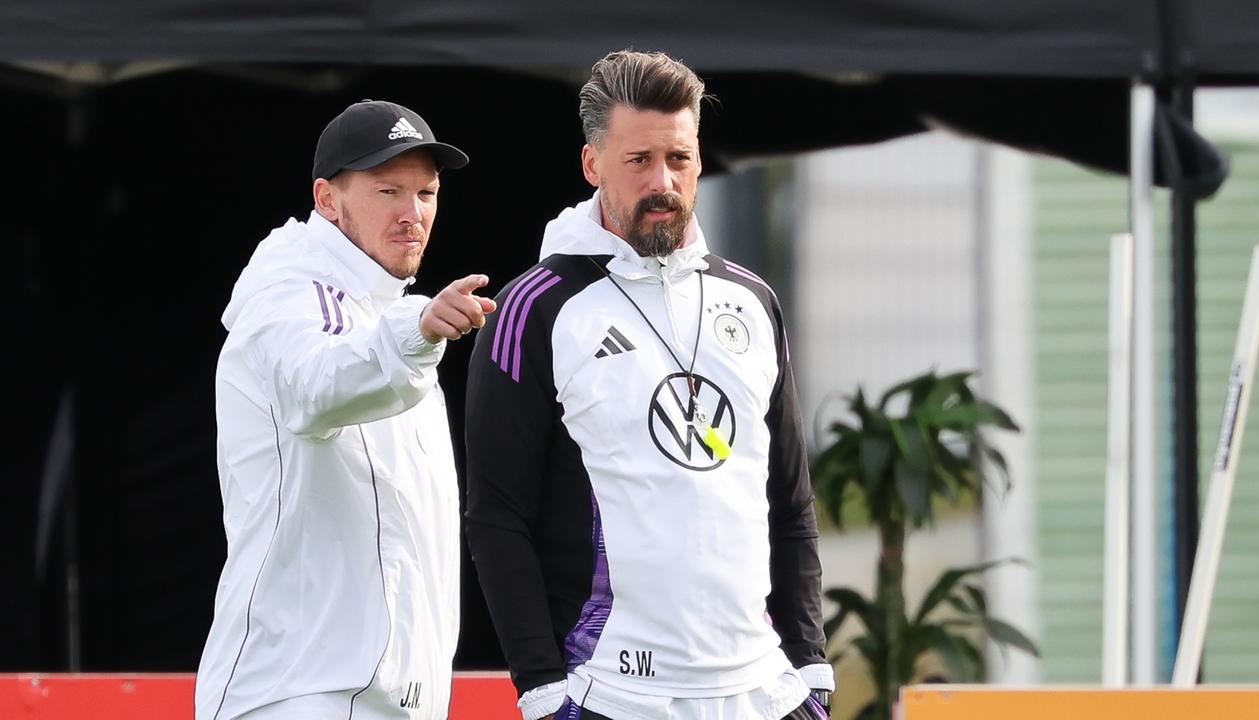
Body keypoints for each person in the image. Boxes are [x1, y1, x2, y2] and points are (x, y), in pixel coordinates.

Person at [465, 51, 833, 720]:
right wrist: (545, 690)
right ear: (592, 165)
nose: (662, 181)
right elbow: (496, 515)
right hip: (613, 693)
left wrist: (809, 666)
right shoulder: (536, 307)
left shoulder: (752, 300)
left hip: (764, 693)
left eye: (679, 159)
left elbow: (791, 502)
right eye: (638, 161)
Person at [195, 99, 495, 720]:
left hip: (383, 698)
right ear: (327, 200)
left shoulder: (385, 313)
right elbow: (317, 385)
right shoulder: (291, 291)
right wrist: (414, 334)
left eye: (427, 193)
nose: (413, 214)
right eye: (389, 190)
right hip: (299, 694)